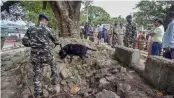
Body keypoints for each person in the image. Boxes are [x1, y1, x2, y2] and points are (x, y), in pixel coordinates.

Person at [22, 14, 60, 97]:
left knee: (37, 74)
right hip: (47, 55)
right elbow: (57, 41)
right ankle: (55, 82)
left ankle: (37, 94)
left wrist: (33, 44)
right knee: (54, 65)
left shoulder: (30, 28)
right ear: (45, 21)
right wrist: (50, 45)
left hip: (35, 56)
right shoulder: (48, 29)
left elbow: (24, 42)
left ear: (39, 20)